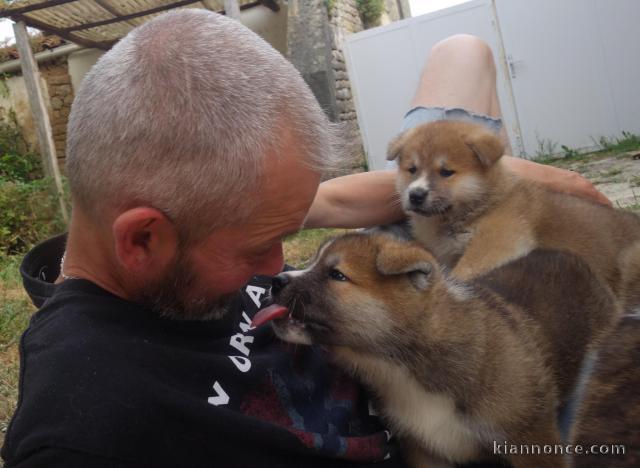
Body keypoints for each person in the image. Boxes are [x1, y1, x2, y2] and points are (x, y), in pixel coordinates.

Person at [2, 11, 607, 468]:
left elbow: (340, 200)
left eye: (286, 232)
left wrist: (507, 176)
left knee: (462, 48)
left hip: (385, 282)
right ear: (142, 240)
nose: (276, 268)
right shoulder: (87, 430)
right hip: (482, 402)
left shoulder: (193, 213)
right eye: (257, 248)